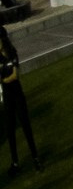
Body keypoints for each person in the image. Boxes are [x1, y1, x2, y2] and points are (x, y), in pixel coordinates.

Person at [0, 24, 42, 172]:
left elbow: (14, 75)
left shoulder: (12, 53)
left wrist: (4, 79)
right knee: (10, 129)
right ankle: (15, 161)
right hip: (8, 97)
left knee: (26, 126)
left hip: (17, 95)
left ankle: (35, 157)